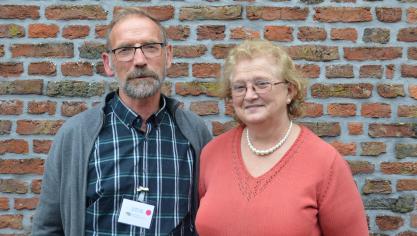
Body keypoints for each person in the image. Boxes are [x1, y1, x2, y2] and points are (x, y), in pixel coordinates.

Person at [32, 7, 211, 236]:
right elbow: (48, 228)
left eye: (150, 47)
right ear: (108, 63)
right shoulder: (76, 136)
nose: (139, 60)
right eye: (126, 50)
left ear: (168, 56)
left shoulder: (194, 133)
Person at [195, 39, 368, 236]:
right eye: (239, 87)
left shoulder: (325, 163)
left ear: (289, 91)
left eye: (262, 84)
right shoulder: (212, 154)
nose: (250, 95)